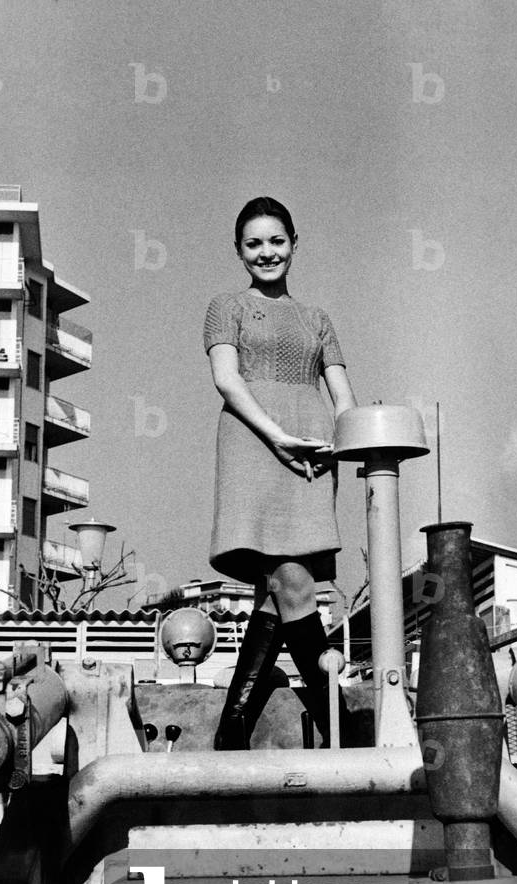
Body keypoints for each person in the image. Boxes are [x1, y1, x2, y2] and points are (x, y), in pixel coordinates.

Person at [203, 196, 358, 749]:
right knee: (295, 583)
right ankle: (345, 730)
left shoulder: (318, 318)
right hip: (253, 444)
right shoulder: (226, 306)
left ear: (294, 243)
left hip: (311, 456)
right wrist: (277, 436)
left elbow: (343, 394)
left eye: (276, 241)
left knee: (275, 591)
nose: (266, 252)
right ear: (238, 250)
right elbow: (227, 380)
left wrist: (344, 441)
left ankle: (232, 730)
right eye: (254, 244)